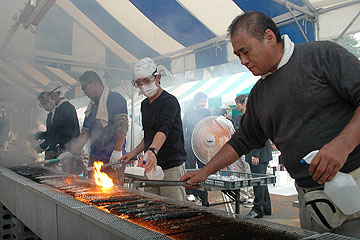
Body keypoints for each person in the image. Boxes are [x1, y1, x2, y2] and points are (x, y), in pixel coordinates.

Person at [181, 11, 360, 238]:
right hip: (310, 197)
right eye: (238, 55)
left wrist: (342, 145)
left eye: (245, 51)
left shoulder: (321, 55)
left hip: (354, 182)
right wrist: (204, 172)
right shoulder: (259, 94)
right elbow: (241, 141)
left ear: (269, 37)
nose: (243, 61)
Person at [121, 57, 186, 201]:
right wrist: (133, 153)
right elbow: (149, 136)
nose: (143, 86)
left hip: (171, 166)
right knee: (151, 206)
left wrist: (152, 151)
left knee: (174, 209)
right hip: (149, 165)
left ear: (158, 77)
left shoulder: (169, 101)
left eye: (146, 81)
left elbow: (164, 129)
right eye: (139, 83)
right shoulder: (145, 105)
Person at [61, 71, 128, 184]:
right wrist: (71, 152)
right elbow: (86, 133)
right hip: (95, 158)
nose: (84, 91)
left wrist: (117, 152)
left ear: (94, 83)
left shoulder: (116, 99)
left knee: (113, 194)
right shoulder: (92, 106)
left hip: (112, 160)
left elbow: (122, 126)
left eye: (84, 87)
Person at [35, 83, 80, 172]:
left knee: (69, 177)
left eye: (49, 97)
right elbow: (53, 133)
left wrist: (43, 146)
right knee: (65, 176)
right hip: (64, 149)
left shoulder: (66, 108)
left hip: (70, 149)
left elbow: (58, 134)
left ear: (55, 95)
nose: (49, 101)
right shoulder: (58, 110)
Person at [183, 92, 211, 169]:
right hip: (190, 143)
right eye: (202, 101)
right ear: (196, 102)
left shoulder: (207, 112)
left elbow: (211, 126)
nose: (204, 104)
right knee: (190, 166)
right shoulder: (189, 112)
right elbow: (183, 127)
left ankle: (204, 181)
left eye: (205, 101)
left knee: (203, 165)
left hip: (203, 143)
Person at [245, 140, 272, 218]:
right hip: (258, 153)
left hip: (258, 154)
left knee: (258, 182)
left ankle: (257, 210)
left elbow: (259, 135)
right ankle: (266, 207)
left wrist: (256, 154)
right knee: (261, 181)